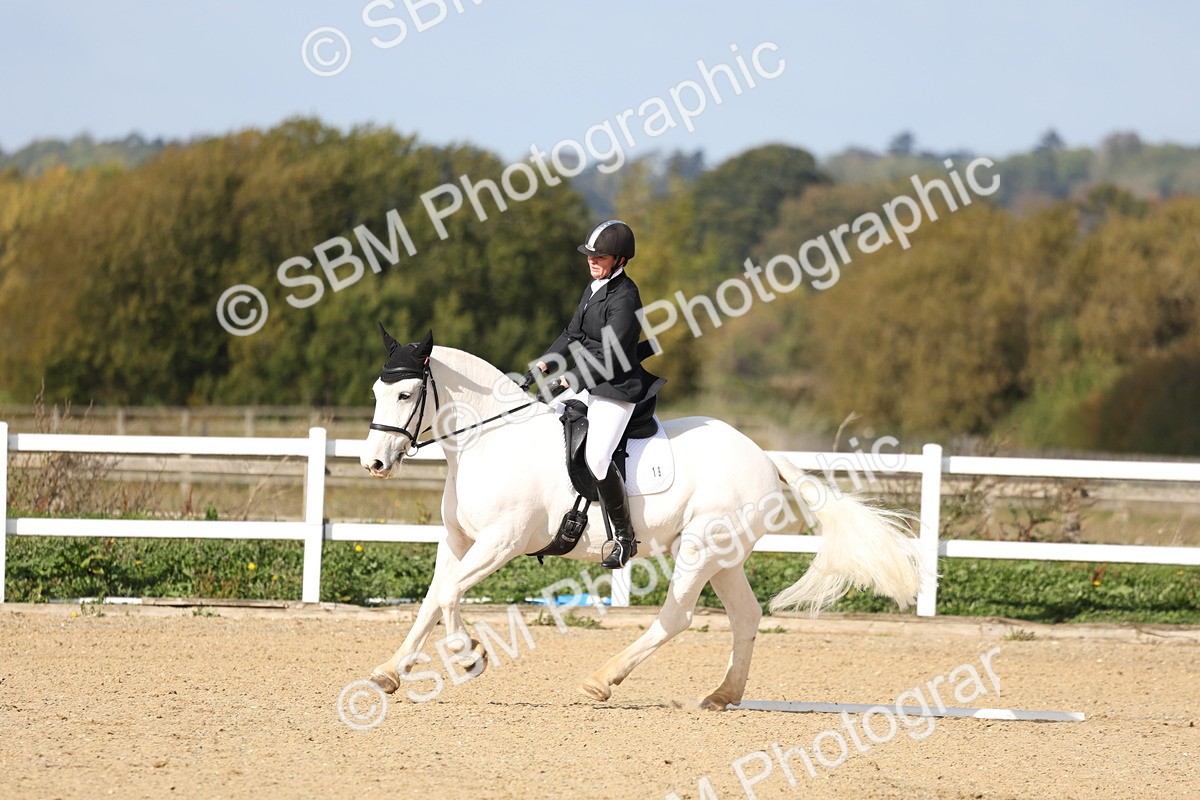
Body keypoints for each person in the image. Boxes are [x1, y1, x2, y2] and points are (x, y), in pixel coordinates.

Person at [522, 220, 665, 568]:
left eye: (601, 256)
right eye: (591, 254)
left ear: (621, 260)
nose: (593, 260)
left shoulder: (626, 297)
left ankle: (624, 538)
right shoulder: (595, 287)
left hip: (616, 388)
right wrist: (541, 367)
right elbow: (571, 334)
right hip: (588, 381)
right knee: (544, 423)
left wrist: (569, 379)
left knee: (598, 457)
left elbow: (612, 355)